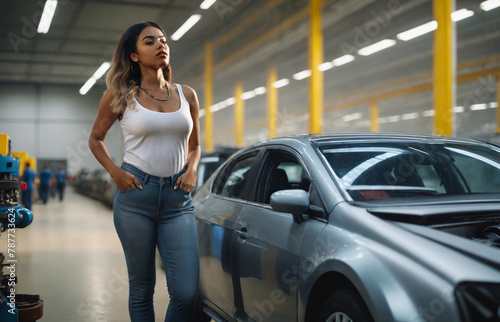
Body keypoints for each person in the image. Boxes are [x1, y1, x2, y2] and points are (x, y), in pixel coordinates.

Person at [88, 21, 201, 322]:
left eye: (163, 40)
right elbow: (95, 139)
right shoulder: (120, 95)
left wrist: (191, 170)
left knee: (187, 293)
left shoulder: (187, 95)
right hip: (136, 197)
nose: (160, 45)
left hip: (178, 202)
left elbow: (195, 145)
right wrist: (115, 172)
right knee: (142, 289)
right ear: (134, 55)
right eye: (149, 41)